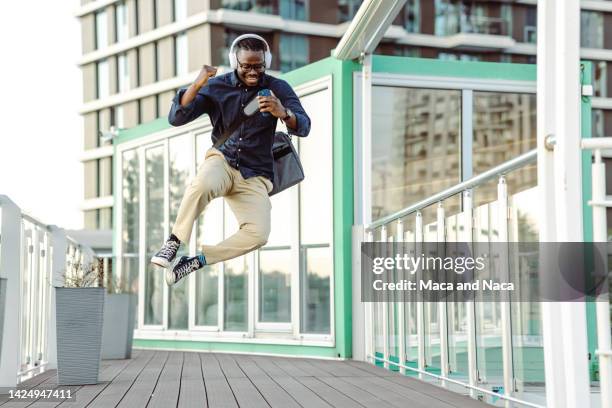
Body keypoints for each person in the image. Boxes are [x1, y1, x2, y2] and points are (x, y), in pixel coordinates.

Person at [150, 33, 311, 286]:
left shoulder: (278, 88)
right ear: (235, 61)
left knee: (259, 234)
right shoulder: (217, 87)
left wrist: (283, 112)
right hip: (222, 161)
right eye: (246, 66)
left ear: (266, 61)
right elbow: (177, 117)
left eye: (258, 66)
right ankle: (173, 242)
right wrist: (196, 84)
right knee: (202, 184)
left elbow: (304, 126)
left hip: (255, 174)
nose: (252, 71)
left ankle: (197, 261)